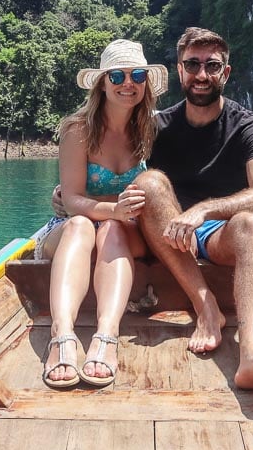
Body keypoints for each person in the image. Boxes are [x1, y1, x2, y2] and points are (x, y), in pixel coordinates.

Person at [131, 26, 253, 390]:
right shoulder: (157, 127)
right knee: (149, 183)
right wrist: (69, 194)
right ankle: (206, 307)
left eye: (212, 66)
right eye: (192, 64)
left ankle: (251, 354)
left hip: (219, 232)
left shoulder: (248, 126)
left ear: (226, 72)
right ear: (179, 70)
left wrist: (203, 211)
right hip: (168, 231)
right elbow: (115, 172)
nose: (202, 75)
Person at [33, 39, 168, 389]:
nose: (128, 83)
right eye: (118, 75)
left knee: (112, 229)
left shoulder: (151, 131)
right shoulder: (78, 131)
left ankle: (106, 337)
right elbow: (74, 199)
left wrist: (118, 216)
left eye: (137, 75)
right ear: (102, 83)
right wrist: (114, 209)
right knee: (81, 225)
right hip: (72, 228)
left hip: (122, 234)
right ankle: (61, 335)